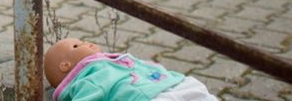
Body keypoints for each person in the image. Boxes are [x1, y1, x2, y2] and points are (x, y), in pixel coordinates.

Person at [44, 38, 219, 101]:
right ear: (65, 65)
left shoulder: (108, 62)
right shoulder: (90, 77)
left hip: (171, 85)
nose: (87, 42)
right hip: (149, 97)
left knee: (198, 91)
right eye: (77, 45)